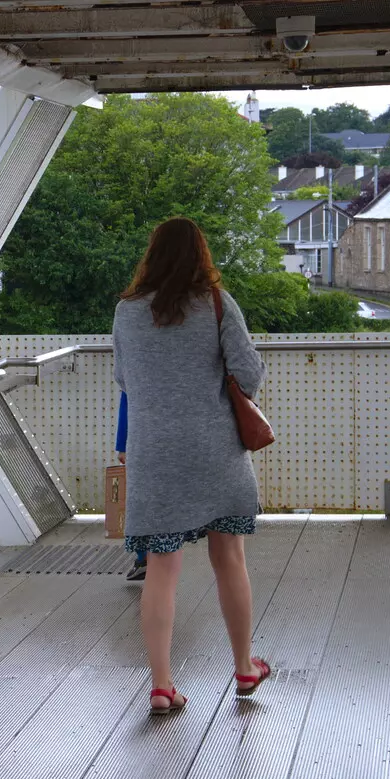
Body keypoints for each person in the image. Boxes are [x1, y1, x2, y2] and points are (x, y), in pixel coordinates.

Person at [113, 217, 272, 714]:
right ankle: (244, 667)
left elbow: (124, 378)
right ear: (201, 254)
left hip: (154, 455)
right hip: (214, 453)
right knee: (229, 559)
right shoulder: (218, 305)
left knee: (161, 568)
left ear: (151, 255)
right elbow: (249, 374)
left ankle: (162, 684)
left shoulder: (126, 312)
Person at [115, 391, 147, 581]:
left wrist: (123, 445)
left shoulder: (135, 361)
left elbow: (127, 397)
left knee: (142, 503)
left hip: (143, 442)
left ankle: (144, 558)